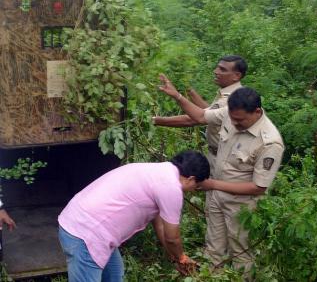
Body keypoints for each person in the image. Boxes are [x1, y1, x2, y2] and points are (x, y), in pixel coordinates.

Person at [158, 77, 285, 273]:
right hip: (217, 197)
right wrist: (177, 96)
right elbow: (201, 116)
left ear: (257, 112)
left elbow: (258, 187)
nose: (234, 123)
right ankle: (212, 276)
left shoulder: (270, 143)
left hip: (241, 206)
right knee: (213, 247)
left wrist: (213, 185)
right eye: (232, 119)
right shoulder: (231, 113)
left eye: (240, 120)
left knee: (241, 252)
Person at [58, 150, 210, 282]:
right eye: (196, 186)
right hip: (87, 233)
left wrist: (175, 257)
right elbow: (172, 237)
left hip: (86, 223)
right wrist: (182, 258)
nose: (193, 190)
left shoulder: (158, 172)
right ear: (190, 178)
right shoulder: (171, 187)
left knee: (115, 274)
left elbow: (160, 225)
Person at [153, 55, 246, 176]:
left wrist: (155, 120)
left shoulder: (231, 99)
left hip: (225, 160)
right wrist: (188, 89)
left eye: (222, 69)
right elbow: (208, 111)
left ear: (236, 76)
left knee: (218, 192)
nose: (216, 71)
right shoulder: (230, 92)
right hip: (218, 155)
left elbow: (195, 119)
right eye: (217, 67)